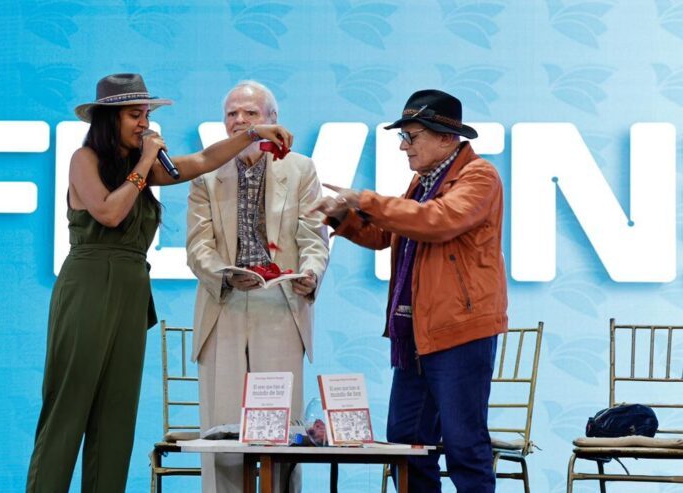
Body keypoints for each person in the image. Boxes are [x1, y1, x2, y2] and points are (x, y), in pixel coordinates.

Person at [25, 73, 293, 493]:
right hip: (88, 286)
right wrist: (145, 162)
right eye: (135, 115)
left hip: (132, 291)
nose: (145, 124)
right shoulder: (85, 160)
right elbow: (109, 213)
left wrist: (252, 134)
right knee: (69, 404)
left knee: (117, 413)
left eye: (146, 115)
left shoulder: (143, 168)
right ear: (110, 119)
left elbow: (203, 160)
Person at [313, 89, 507, 493]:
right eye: (404, 137)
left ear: (446, 138)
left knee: (464, 445)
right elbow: (386, 235)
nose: (404, 146)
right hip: (417, 333)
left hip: (460, 330)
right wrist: (343, 218)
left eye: (412, 136)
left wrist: (367, 200)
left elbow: (438, 221)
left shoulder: (479, 177)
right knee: (406, 442)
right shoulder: (422, 183)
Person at [186, 80, 329, 492]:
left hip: (280, 306)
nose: (240, 120)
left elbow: (313, 237)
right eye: (232, 113)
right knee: (222, 438)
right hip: (225, 304)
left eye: (250, 113)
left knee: (281, 436)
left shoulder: (300, 169)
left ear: (272, 120)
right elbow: (198, 246)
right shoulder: (206, 172)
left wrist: (310, 273)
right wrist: (225, 274)